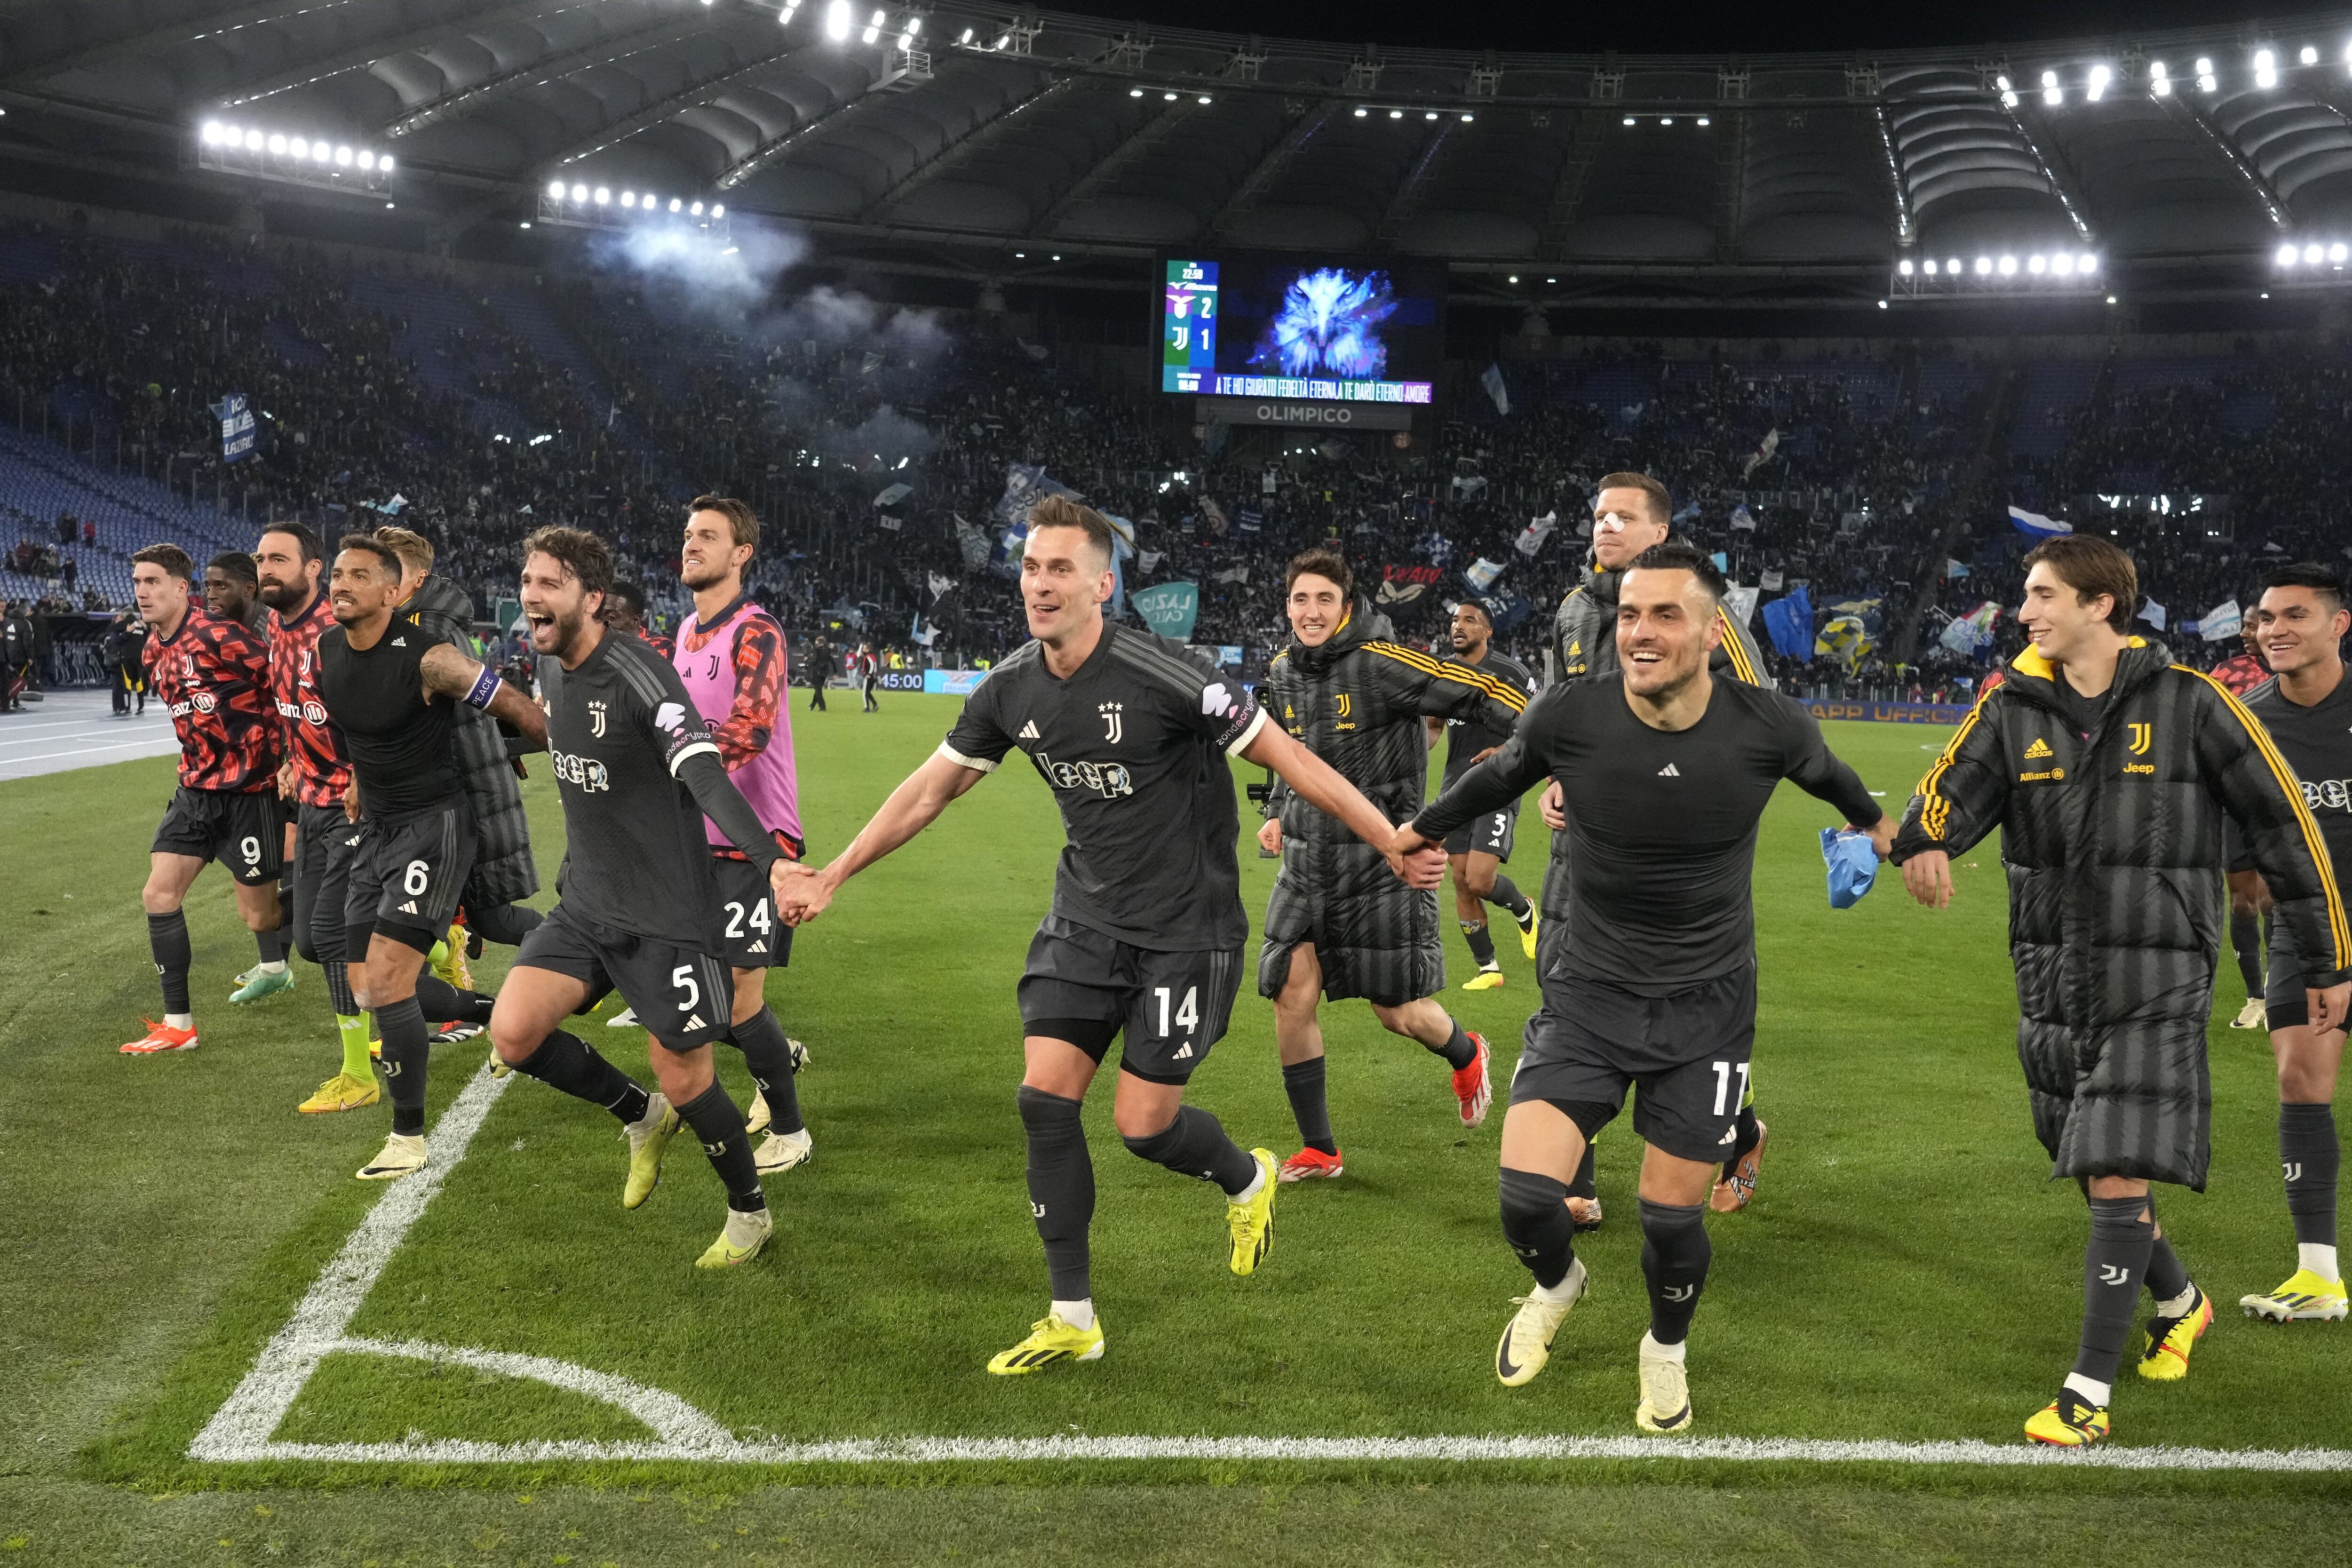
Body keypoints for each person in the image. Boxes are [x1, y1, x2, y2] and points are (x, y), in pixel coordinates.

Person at [775, 496, 1446, 1373]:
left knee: (1143, 1126)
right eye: (1029, 567)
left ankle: (1246, 1176)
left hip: (1186, 931)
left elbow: (1297, 761)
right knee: (1044, 1100)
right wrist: (833, 872)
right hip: (1085, 919)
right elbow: (930, 788)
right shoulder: (1012, 684)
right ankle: (1072, 1314)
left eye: (1060, 569)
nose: (1040, 583)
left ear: (1103, 583)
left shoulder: (1170, 673)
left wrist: (1389, 836)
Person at [1396, 541, 1888, 1433]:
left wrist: (1893, 835)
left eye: (1666, 614)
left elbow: (1841, 786)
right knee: (1525, 1197)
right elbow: (1496, 774)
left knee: (1668, 1219)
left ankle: (1665, 1346)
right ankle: (1559, 1283)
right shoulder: (1569, 716)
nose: (1641, 631)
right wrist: (1417, 832)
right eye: (1629, 614)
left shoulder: (1768, 725)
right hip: (1587, 990)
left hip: (1706, 1008)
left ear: (1710, 630)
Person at [1891, 536, 2348, 1448]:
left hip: (2160, 974)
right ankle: (2179, 1299)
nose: (2024, 612)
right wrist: (1924, 838)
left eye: (2041, 594)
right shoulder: (2011, 708)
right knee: (2079, 1149)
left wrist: (2327, 955)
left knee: (2113, 1162)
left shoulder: (2194, 703)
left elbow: (2285, 828)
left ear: (2100, 606)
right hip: (2053, 976)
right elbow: (1948, 795)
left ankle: (2084, 1394)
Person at [488, 526, 795, 1267]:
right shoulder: (549, 664)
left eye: (550, 582)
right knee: (514, 1034)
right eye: (528, 579)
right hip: (589, 904)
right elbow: (562, 738)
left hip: (666, 916)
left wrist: (771, 862)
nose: (532, 594)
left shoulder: (640, 674)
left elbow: (704, 772)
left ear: (592, 599)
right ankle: (638, 1115)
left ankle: (749, 1215)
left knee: (689, 1078)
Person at [1542, 473, 1776, 1225]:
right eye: (1598, 515)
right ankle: (1575, 1181)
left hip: (1675, 863)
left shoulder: (1705, 615)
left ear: (1659, 533)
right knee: (1566, 997)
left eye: (1623, 516)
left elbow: (1755, 715)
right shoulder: (1575, 611)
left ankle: (1739, 1132)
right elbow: (1556, 713)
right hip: (1585, 847)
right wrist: (1554, 775)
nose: (1605, 526)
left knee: (1682, 1033)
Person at [1255, 552, 1529, 1183]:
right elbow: (1281, 748)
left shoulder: (1384, 663)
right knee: (1290, 992)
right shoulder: (1282, 672)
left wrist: (1534, 751)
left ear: (1346, 604)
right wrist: (1275, 809)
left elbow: (1489, 692)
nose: (1311, 612)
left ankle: (1467, 1054)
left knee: (1398, 1012)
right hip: (1305, 860)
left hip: (1388, 863)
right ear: (1288, 605)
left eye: (1324, 599)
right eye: (1300, 599)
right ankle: (1320, 1149)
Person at [317, 533, 546, 1180]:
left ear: (393, 593)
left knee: (389, 982)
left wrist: (583, 753)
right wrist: (360, 778)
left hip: (435, 828)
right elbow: (357, 725)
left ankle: (407, 1137)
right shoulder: (327, 648)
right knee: (369, 988)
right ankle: (505, 1014)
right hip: (379, 829)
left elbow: (514, 707)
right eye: (338, 573)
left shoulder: (433, 658)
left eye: (360, 576)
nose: (343, 584)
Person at [669, 496, 814, 1174]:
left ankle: (790, 1130)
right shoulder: (685, 634)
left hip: (757, 842)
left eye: (708, 536)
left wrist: (668, 768)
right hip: (696, 837)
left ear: (741, 554)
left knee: (739, 997)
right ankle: (775, 1059)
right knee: (708, 996)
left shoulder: (756, 631)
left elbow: (750, 728)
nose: (692, 544)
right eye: (689, 534)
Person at [2238, 564, 2352, 1323]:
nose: (2274, 627)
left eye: (2294, 614)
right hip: (2307, 927)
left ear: (2339, 624)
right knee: (2300, 1079)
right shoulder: (2246, 722)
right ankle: (2319, 1276)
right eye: (2265, 616)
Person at [119, 545, 285, 1055]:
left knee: (260, 917)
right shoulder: (152, 649)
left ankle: (292, 953)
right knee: (158, 895)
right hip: (194, 792)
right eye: (138, 582)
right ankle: (179, 1024)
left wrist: (285, 757)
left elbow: (282, 686)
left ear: (180, 588)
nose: (143, 591)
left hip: (249, 793)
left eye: (152, 582)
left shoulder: (221, 635)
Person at [375, 526, 542, 1004]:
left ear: (419, 577)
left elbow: (468, 714)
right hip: (443, 792)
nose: (383, 582)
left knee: (481, 915)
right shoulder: (407, 624)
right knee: (435, 913)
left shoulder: (427, 630)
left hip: (458, 793)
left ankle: (578, 959)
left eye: (394, 572)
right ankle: (454, 991)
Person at [255, 522, 374, 1114]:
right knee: (305, 940)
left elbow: (368, 710)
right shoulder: (274, 624)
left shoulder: (338, 629)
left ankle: (359, 1070)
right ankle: (434, 942)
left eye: (279, 558)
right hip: (310, 799)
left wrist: (358, 774)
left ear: (312, 569)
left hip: (354, 803)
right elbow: (292, 706)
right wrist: (286, 758)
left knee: (327, 935)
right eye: (261, 559)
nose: (266, 569)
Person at [1429, 598, 1540, 990]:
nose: (1459, 626)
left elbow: (1537, 725)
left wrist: (1505, 750)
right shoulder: (1441, 673)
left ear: (1488, 631)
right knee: (1459, 880)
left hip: (1499, 783)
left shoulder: (1512, 674)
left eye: (1470, 620)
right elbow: (1432, 727)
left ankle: (1525, 909)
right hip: (1456, 787)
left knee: (1478, 878)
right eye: (1455, 620)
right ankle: (1488, 967)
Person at [2216, 619, 2274, 1031]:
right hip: (2235, 799)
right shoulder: (2226, 673)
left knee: (2276, 900)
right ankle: (2257, 997)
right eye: (2248, 625)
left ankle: (2282, 991)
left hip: (2283, 799)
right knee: (2242, 902)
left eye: (2256, 624)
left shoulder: (2299, 672)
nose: (2247, 631)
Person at [203, 552, 272, 637]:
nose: (210, 596)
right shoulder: (208, 629)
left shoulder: (274, 632)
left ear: (249, 589)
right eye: (208, 587)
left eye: (221, 586)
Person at [102, 611, 143, 716]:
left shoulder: (124, 628)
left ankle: (124, 706)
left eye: (122, 619)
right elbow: (118, 641)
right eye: (119, 619)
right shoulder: (115, 631)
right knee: (117, 685)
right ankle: (117, 707)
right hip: (116, 661)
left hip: (124, 660)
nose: (121, 620)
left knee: (124, 685)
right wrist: (128, 632)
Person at [0, 598, 32, 712]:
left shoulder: (7, 621)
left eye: (4, 607)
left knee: (6, 681)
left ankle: (5, 706)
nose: (2, 609)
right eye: (1, 607)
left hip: (5, 656)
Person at [805, 637, 834, 711]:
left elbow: (814, 660)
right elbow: (832, 661)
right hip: (824, 673)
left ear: (818, 642)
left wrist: (808, 660)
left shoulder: (816, 650)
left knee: (818, 690)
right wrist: (835, 672)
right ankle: (813, 705)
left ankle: (823, 707)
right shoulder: (828, 650)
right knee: (818, 689)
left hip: (817, 672)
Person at [858, 642, 880, 713]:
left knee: (865, 693)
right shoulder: (872, 656)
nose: (863, 650)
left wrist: (869, 674)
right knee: (868, 692)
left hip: (869, 677)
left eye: (864, 648)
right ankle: (875, 704)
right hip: (873, 677)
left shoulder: (868, 657)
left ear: (868, 649)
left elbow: (872, 665)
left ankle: (867, 708)